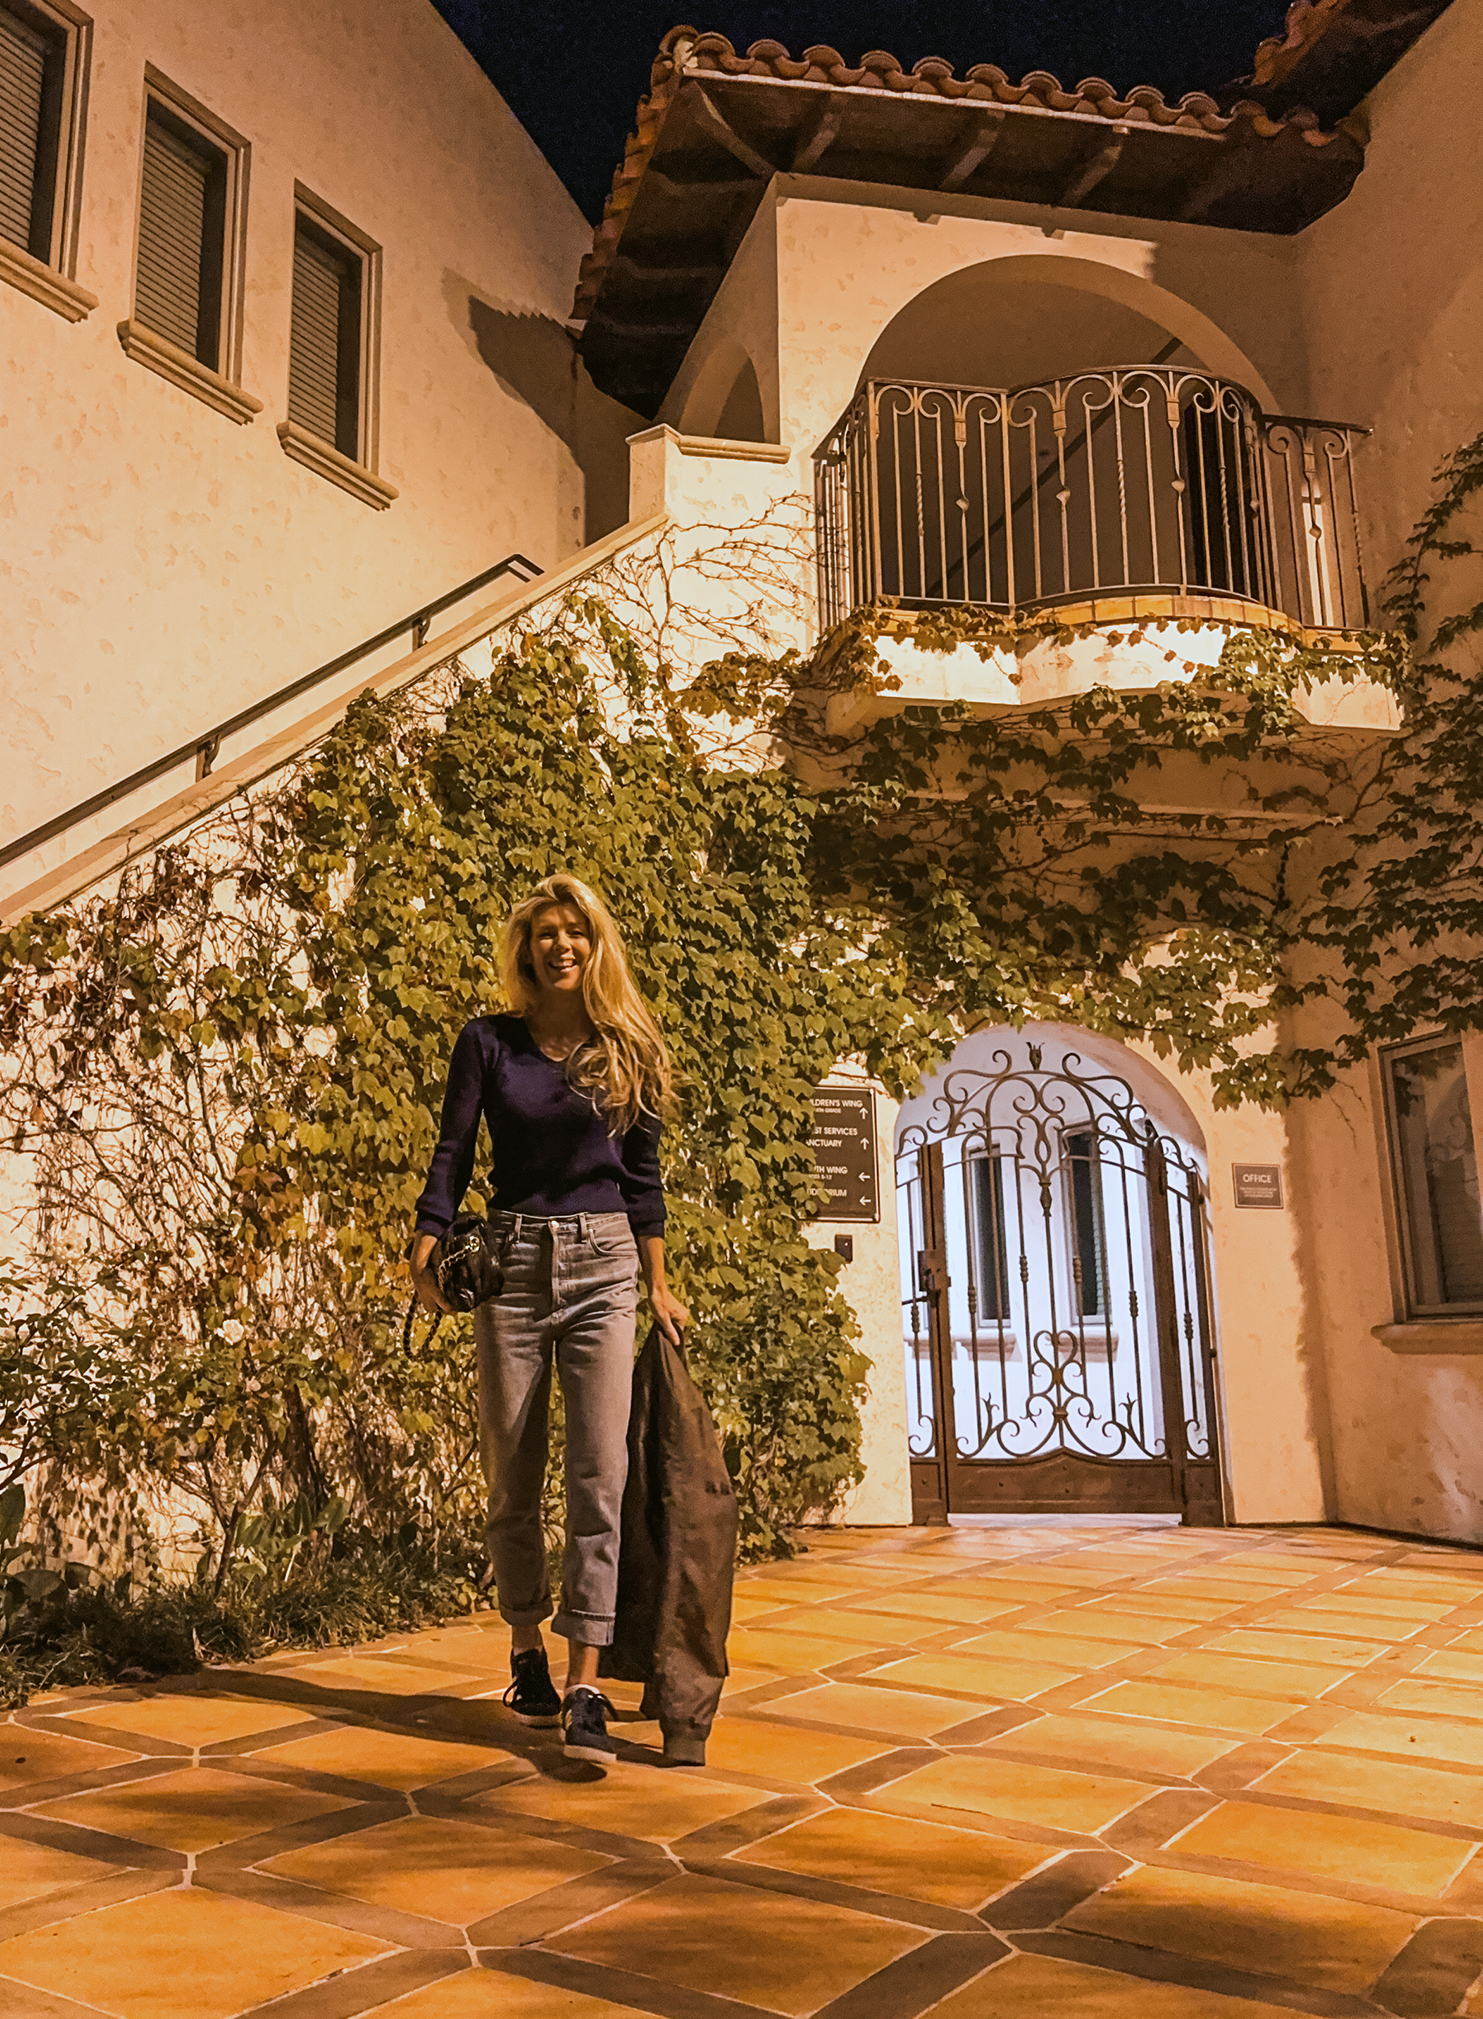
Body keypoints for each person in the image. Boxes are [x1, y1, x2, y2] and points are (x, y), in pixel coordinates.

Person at [409, 873, 687, 1764]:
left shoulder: (628, 1046)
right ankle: (526, 1648)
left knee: (598, 1477)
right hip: (513, 1268)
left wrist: (659, 1279)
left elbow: (642, 1180)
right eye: (544, 933)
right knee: (512, 1476)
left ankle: (587, 1684)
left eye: (576, 931)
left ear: (595, 943)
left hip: (607, 1265)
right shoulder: (488, 1042)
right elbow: (452, 1151)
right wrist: (426, 1243)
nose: (560, 945)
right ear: (525, 949)